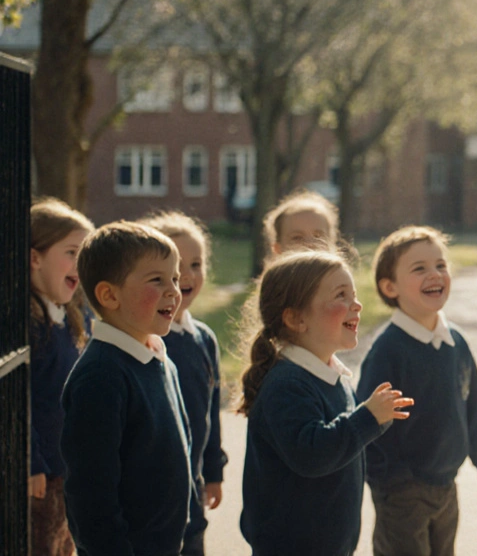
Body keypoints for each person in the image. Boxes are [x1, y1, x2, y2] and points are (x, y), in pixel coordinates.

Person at [237, 249, 413, 556]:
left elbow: (342, 446)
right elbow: (312, 453)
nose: (356, 305)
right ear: (296, 318)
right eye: (341, 296)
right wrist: (367, 418)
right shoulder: (287, 385)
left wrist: (376, 420)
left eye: (354, 294)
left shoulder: (333, 376)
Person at [357, 226, 477, 556]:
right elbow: (365, 424)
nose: (434, 274)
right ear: (389, 287)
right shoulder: (387, 351)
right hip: (402, 492)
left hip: (446, 483)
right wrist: (391, 480)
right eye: (419, 268)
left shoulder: (456, 342)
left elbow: (474, 410)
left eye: (440, 265)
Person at [61, 222, 198, 556]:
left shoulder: (159, 358)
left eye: (175, 279)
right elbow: (90, 496)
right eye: (157, 280)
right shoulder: (100, 377)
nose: (173, 291)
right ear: (110, 295)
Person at [139, 211, 227, 556]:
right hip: (151, 493)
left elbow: (211, 408)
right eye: (172, 272)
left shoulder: (203, 339)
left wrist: (214, 468)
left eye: (196, 264)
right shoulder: (144, 341)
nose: (186, 277)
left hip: (192, 486)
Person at [28, 198, 93, 556]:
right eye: (71, 252)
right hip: (43, 473)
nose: (79, 265)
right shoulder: (30, 325)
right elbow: (20, 402)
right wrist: (31, 462)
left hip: (69, 468)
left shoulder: (70, 317)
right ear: (35, 258)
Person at [262, 188, 341, 256]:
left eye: (318, 236)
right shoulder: (273, 274)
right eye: (297, 238)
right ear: (277, 249)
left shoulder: (342, 273)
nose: (310, 244)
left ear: (332, 244)